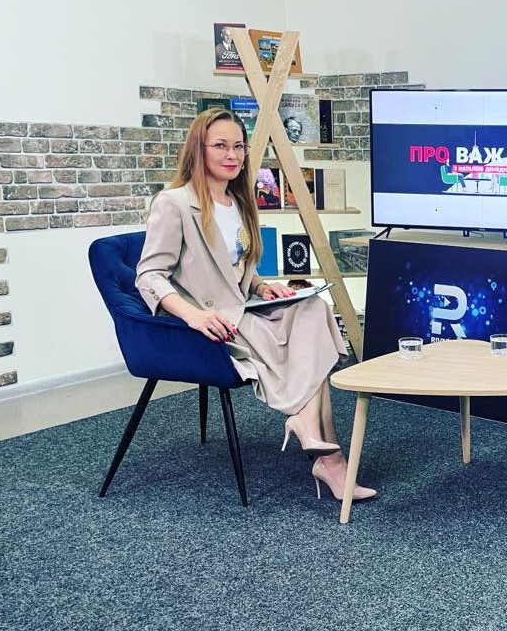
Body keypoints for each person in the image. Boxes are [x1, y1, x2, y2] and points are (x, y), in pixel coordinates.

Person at [135, 108, 376, 502]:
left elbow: (236, 266)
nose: (232, 155)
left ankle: (309, 430)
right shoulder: (174, 202)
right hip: (211, 319)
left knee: (314, 309)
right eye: (220, 145)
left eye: (238, 146)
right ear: (198, 148)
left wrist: (262, 286)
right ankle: (331, 461)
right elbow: (149, 275)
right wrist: (193, 315)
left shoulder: (239, 201)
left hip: (243, 305)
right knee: (306, 348)